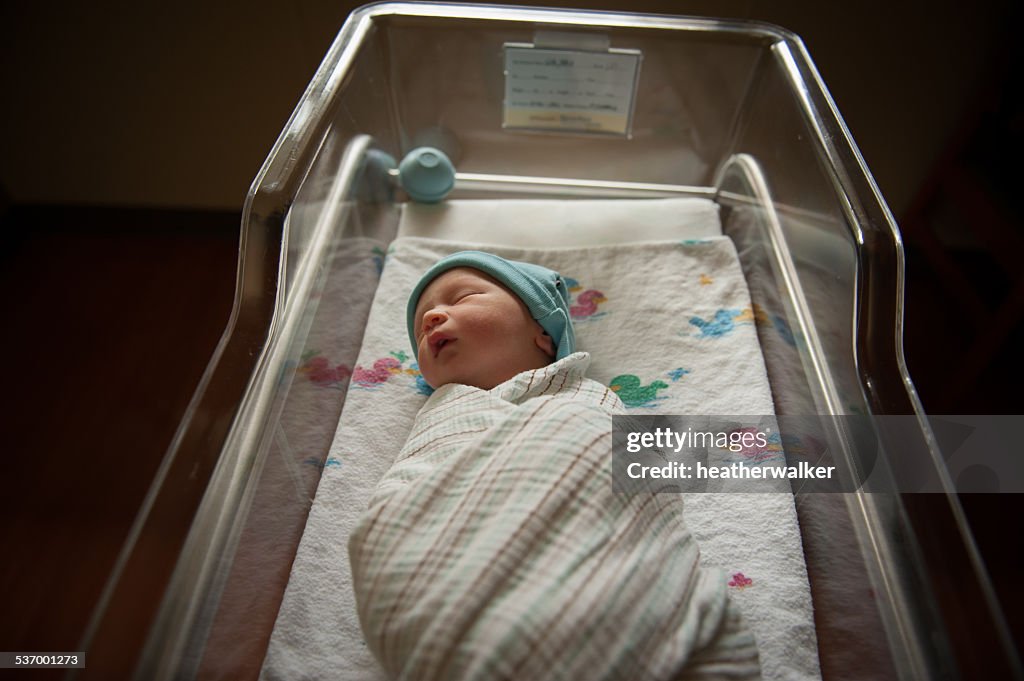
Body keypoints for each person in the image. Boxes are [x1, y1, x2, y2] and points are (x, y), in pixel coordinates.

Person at [350, 251, 760, 680]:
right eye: (421, 326)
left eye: (464, 296)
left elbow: (630, 468)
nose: (433, 316)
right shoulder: (443, 410)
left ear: (543, 334)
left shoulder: (586, 400)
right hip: (430, 577)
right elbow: (411, 487)